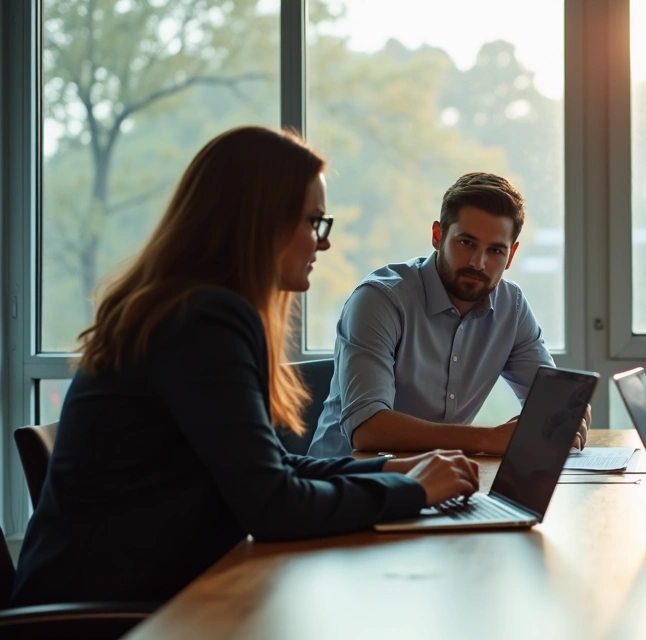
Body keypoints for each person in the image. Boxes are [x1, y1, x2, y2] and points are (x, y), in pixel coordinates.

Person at [9, 127, 479, 607]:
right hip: (103, 618)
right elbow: (273, 506)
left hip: (152, 598)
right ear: (261, 223)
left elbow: (269, 467)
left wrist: (390, 469)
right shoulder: (202, 321)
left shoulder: (190, 308)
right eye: (314, 222)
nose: (323, 245)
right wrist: (412, 492)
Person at [307, 172, 588, 458]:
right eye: (467, 243)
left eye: (495, 250)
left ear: (511, 255)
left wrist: (566, 415)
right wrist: (489, 439)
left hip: (438, 483)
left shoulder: (511, 307)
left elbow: (556, 403)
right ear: (437, 236)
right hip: (345, 486)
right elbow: (367, 430)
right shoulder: (379, 300)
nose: (478, 263)